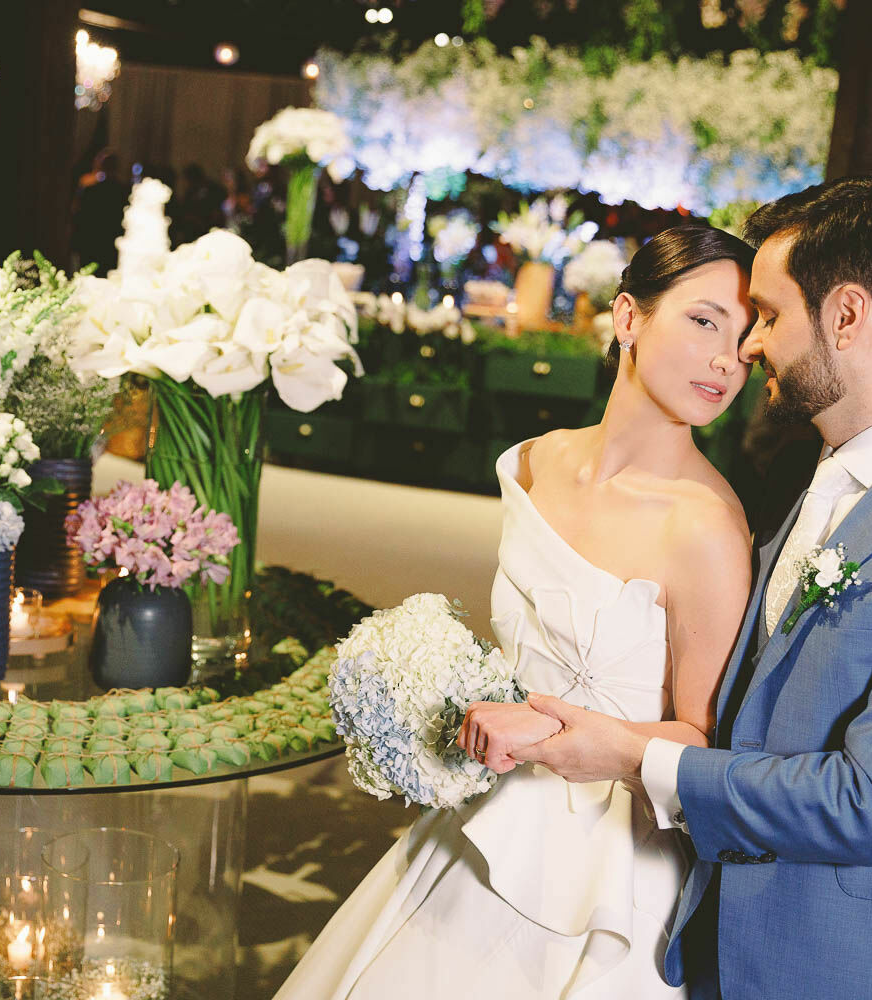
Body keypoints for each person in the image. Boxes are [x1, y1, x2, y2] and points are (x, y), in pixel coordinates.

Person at [472, 177, 872, 1000]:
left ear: (849, 315)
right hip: (726, 949)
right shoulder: (805, 480)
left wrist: (627, 752)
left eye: (769, 313)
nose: (748, 345)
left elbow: (870, 801)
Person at [275, 224, 759, 999]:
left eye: (746, 338)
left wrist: (554, 730)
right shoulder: (539, 461)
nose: (726, 360)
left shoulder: (704, 527)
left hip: (600, 864)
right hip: (490, 811)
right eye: (704, 320)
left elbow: (700, 741)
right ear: (629, 317)